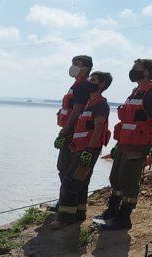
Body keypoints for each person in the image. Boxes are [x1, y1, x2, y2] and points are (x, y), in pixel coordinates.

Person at [95, 59, 152, 230]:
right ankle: (112, 212)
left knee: (129, 180)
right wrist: (118, 144)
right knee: (116, 178)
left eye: (136, 68)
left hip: (138, 145)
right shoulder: (135, 92)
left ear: (147, 72)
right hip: (125, 143)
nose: (132, 71)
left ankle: (124, 218)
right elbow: (127, 121)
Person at [50, 71, 113, 230]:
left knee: (70, 182)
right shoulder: (88, 104)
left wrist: (90, 150)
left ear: (102, 84)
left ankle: (65, 218)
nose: (89, 81)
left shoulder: (100, 104)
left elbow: (98, 128)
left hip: (88, 149)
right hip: (79, 147)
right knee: (81, 181)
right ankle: (79, 213)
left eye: (94, 79)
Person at [52, 55, 94, 211]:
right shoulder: (76, 85)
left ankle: (68, 203)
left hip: (74, 135)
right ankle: (71, 203)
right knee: (65, 168)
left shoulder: (83, 86)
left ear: (87, 68)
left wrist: (64, 132)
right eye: (73, 63)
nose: (74, 66)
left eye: (78, 64)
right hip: (72, 133)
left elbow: (76, 111)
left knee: (67, 169)